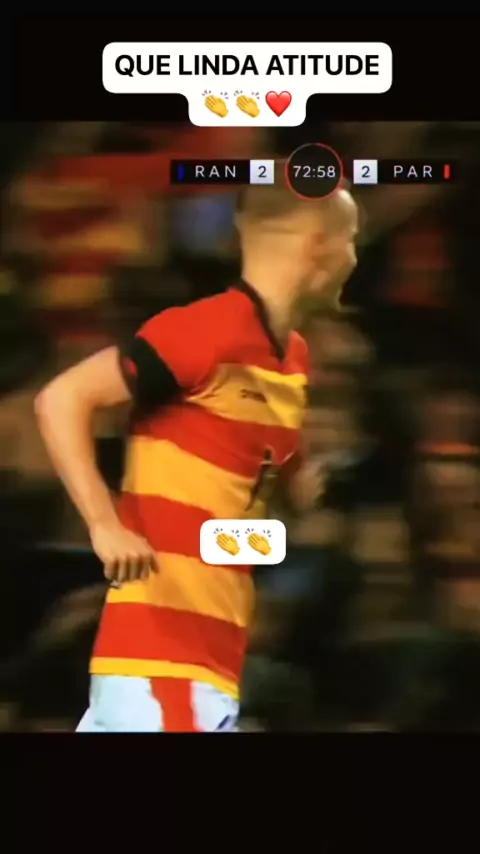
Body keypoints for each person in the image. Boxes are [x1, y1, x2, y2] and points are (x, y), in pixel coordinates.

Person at [35, 175, 358, 732]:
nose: (353, 257)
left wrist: (294, 501)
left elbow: (230, 517)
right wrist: (105, 524)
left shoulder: (293, 361)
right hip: (165, 667)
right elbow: (63, 399)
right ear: (314, 244)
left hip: (204, 664)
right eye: (348, 240)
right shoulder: (205, 332)